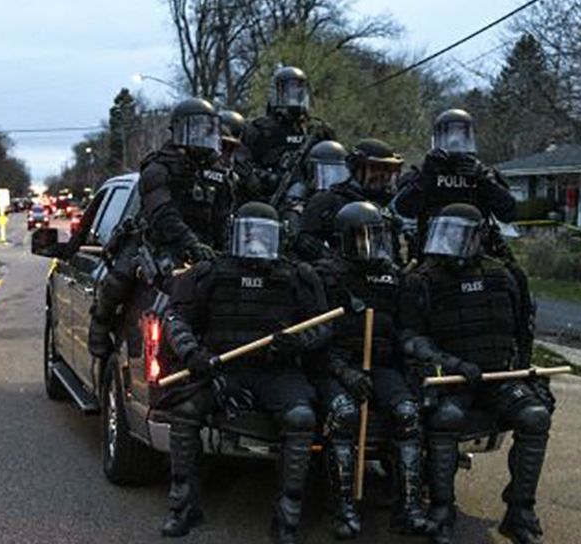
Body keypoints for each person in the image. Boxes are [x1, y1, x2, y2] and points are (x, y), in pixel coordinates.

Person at [160, 202, 330, 544]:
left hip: (276, 371)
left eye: (264, 236)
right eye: (249, 234)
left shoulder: (296, 276)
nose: (256, 244)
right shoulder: (210, 273)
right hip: (222, 369)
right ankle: (184, 505)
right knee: (186, 410)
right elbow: (176, 318)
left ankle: (288, 521)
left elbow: (324, 325)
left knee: (301, 419)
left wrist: (299, 341)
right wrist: (193, 355)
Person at [398, 203, 553, 544]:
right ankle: (441, 510)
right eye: (446, 233)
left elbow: (521, 333)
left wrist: (526, 371)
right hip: (453, 380)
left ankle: (520, 513)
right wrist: (449, 363)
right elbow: (410, 338)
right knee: (446, 419)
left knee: (534, 416)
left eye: (460, 235)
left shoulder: (503, 276)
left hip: (499, 378)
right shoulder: (423, 280)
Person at [311, 202, 427, 540]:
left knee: (407, 414)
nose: (367, 246)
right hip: (337, 366)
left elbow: (407, 328)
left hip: (381, 365)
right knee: (344, 414)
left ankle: (408, 508)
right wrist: (345, 374)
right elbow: (314, 340)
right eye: (358, 238)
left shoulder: (394, 277)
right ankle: (342, 508)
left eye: (373, 238)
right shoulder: (325, 276)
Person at [87, 97, 236, 359]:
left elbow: (224, 217)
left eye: (207, 129)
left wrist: (225, 248)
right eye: (196, 129)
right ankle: (99, 324)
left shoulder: (219, 173)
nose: (203, 136)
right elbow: (162, 213)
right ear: (179, 131)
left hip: (206, 246)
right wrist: (191, 244)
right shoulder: (158, 168)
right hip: (159, 240)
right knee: (119, 277)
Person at [393, 109, 517, 260]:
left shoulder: (484, 174)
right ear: (437, 139)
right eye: (448, 135)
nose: (455, 142)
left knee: (514, 277)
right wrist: (427, 177)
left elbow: (509, 214)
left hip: (478, 255)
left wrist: (485, 182)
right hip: (432, 256)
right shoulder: (425, 172)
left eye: (461, 136)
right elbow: (403, 208)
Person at [294, 139, 403, 262]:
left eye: (388, 170)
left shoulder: (385, 209)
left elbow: (393, 254)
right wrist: (335, 262)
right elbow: (304, 241)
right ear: (356, 168)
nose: (382, 175)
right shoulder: (328, 201)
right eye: (375, 168)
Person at [239, 66, 335, 205]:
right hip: (268, 198)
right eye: (289, 91)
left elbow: (336, 166)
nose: (294, 97)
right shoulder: (257, 129)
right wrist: (267, 178)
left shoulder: (319, 131)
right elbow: (242, 165)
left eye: (299, 91)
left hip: (313, 199)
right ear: (276, 93)